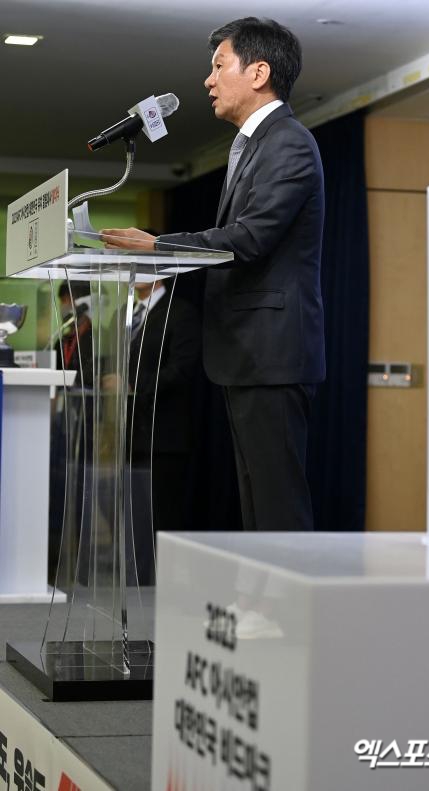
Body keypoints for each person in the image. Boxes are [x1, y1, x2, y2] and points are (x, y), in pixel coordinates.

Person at [101, 17, 325, 531]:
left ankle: (291, 612)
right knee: (256, 500)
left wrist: (160, 246)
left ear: (258, 72)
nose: (208, 80)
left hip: (274, 353)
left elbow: (250, 238)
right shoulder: (253, 144)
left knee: (278, 503)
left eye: (219, 65)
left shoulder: (287, 142)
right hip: (248, 353)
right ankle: (267, 609)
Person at [103, 278, 201, 581]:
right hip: (128, 432)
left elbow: (182, 369)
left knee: (162, 510)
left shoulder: (181, 312)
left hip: (164, 434)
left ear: (161, 273)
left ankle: (167, 581)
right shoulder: (124, 313)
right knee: (132, 510)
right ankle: (137, 573)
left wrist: (134, 386)